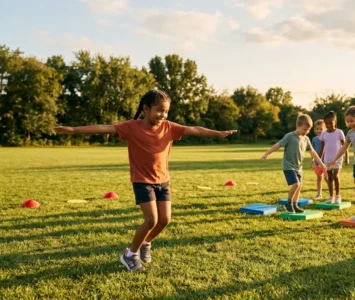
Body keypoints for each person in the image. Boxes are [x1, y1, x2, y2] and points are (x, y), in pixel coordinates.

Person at [54, 90, 236, 271]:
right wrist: (73, 130)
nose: (163, 115)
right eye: (159, 110)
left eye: (165, 112)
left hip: (163, 181)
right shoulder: (131, 127)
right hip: (142, 181)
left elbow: (195, 130)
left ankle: (146, 242)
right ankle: (130, 255)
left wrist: (217, 133)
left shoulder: (169, 127)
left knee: (164, 220)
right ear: (145, 108)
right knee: (151, 220)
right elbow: (104, 127)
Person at [261, 114, 326, 213]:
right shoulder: (289, 136)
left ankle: (295, 205)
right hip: (288, 166)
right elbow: (278, 145)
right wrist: (266, 154)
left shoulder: (306, 139)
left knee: (299, 186)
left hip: (298, 167)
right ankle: (288, 203)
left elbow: (313, 152)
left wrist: (321, 163)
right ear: (297, 126)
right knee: (296, 184)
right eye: (304, 129)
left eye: (308, 130)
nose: (306, 132)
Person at [319, 111, 348, 203]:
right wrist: (319, 159)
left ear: (335, 122)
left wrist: (346, 158)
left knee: (335, 176)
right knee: (329, 177)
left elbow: (345, 146)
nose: (328, 125)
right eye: (326, 123)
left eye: (330, 123)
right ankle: (331, 196)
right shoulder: (323, 134)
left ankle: (338, 196)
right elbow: (322, 147)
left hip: (338, 158)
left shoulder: (339, 132)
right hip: (327, 159)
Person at [311, 119, 327, 200]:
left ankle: (332, 193)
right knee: (319, 178)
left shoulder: (326, 138)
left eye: (321, 128)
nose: (319, 130)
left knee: (327, 178)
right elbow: (312, 150)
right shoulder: (314, 139)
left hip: (326, 162)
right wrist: (312, 160)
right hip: (318, 163)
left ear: (325, 129)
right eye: (317, 129)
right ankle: (319, 193)